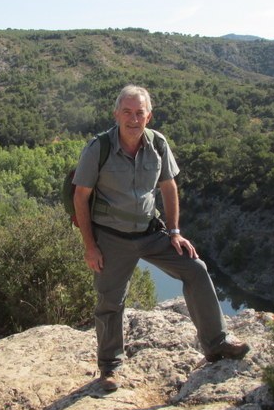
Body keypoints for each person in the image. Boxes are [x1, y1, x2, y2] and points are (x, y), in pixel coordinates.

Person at [72, 84, 250, 392]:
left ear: (149, 115)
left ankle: (216, 343)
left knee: (196, 269)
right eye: (127, 112)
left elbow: (169, 187)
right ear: (116, 114)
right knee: (110, 301)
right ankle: (110, 367)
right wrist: (90, 246)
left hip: (151, 233)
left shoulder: (158, 144)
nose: (133, 118)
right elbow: (80, 197)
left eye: (139, 112)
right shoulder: (97, 149)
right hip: (112, 237)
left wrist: (175, 231)